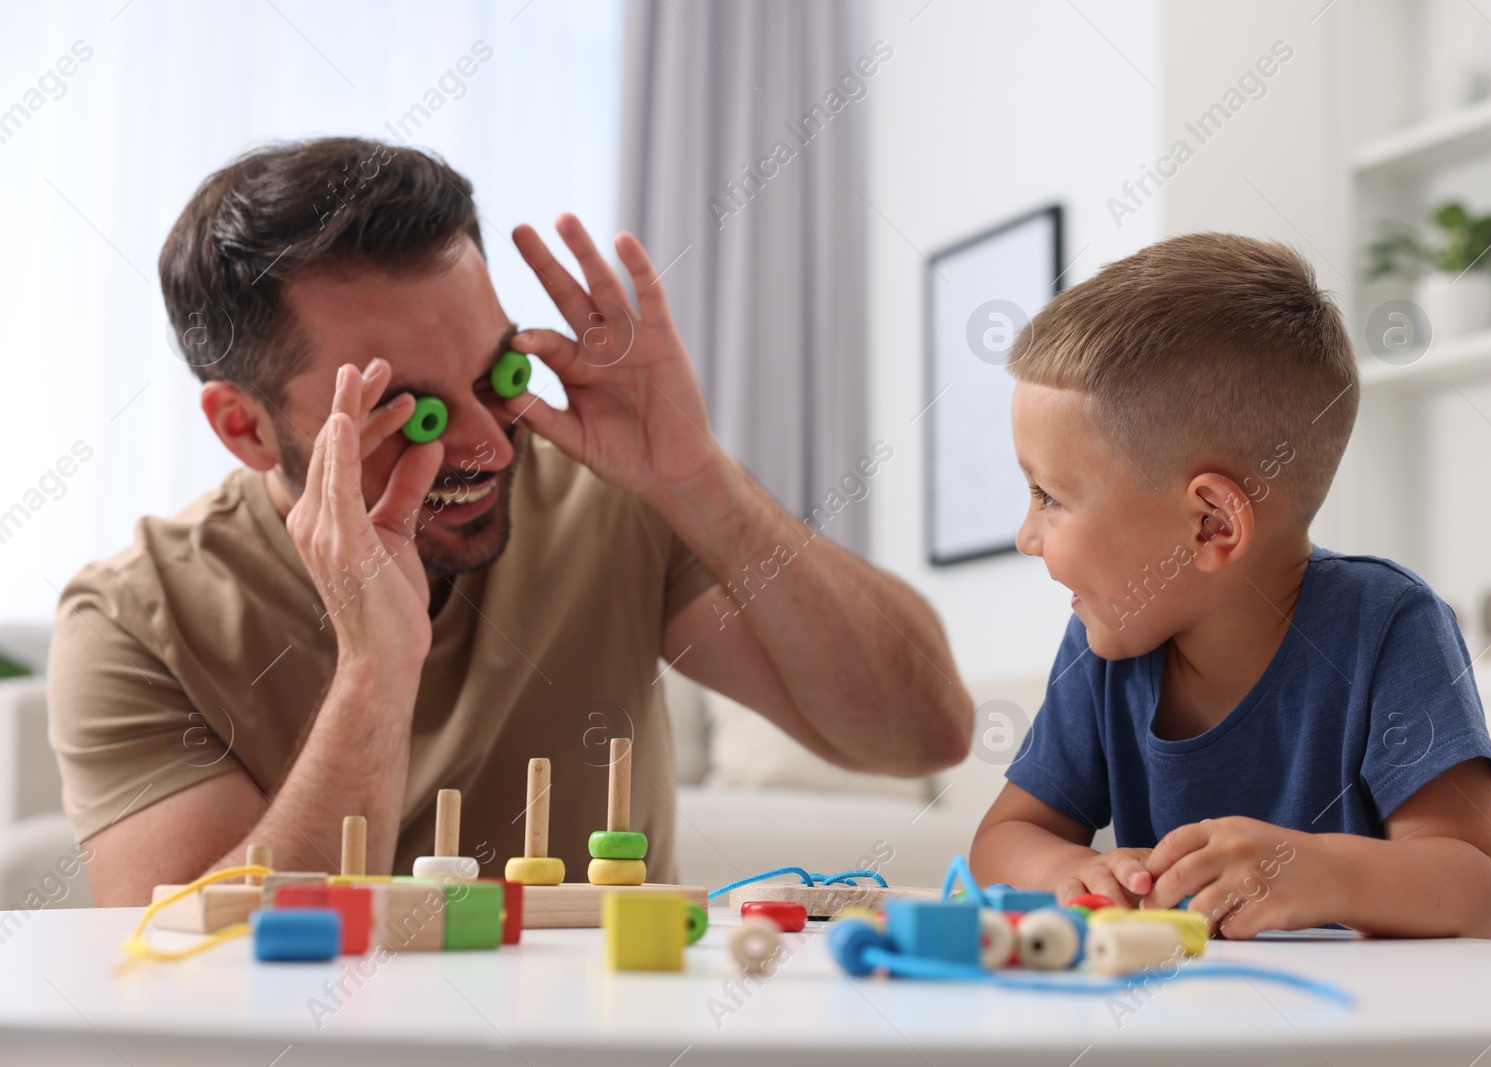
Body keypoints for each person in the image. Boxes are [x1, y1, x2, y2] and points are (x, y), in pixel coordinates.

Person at [48, 138, 971, 905]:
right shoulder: (135, 619)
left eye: (499, 375)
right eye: (412, 412)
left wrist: (699, 477)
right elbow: (193, 970)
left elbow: (921, 735)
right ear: (244, 425)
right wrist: (375, 669)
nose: (490, 443)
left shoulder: (609, 497)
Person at [969, 234, 1491, 939]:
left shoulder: (1388, 626)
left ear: (1209, 525)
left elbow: (1477, 881)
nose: (1027, 534)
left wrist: (1323, 870)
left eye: (1049, 496)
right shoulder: (1104, 643)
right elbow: (1002, 840)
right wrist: (1067, 870)